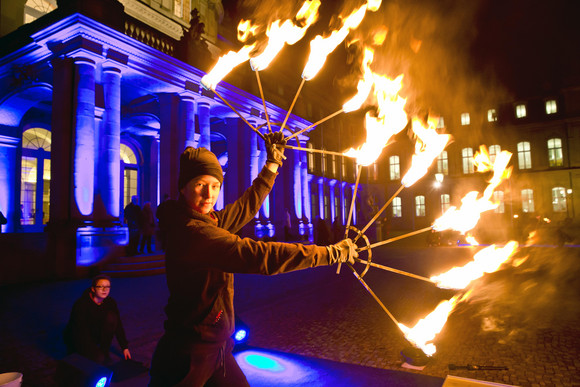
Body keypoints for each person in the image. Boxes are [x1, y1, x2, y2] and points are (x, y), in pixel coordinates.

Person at [149, 132, 358, 386]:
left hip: (218, 349)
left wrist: (272, 165)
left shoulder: (208, 221)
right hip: (188, 354)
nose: (208, 195)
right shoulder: (193, 232)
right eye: (200, 184)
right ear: (183, 187)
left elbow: (245, 207)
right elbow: (260, 256)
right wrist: (330, 253)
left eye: (215, 185)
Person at [64, 274, 131, 365]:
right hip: (80, 338)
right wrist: (91, 351)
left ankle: (104, 351)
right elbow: (79, 331)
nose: (105, 290)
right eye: (100, 287)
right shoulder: (81, 304)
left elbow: (118, 324)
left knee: (112, 317)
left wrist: (124, 347)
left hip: (96, 334)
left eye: (107, 287)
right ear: (93, 289)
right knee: (98, 360)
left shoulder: (110, 302)